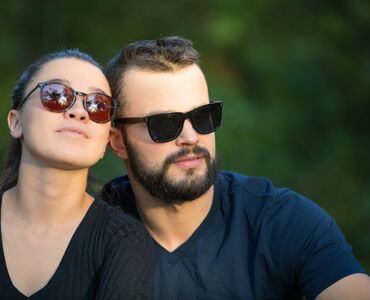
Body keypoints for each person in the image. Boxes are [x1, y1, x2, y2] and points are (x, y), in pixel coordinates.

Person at [101, 37, 370, 299]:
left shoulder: (280, 221)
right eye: (163, 125)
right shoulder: (90, 234)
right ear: (117, 141)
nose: (191, 137)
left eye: (202, 117)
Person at [0, 49, 153, 299]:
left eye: (98, 105)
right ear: (16, 122)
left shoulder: (124, 241)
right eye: (56, 95)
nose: (79, 111)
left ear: (106, 138)